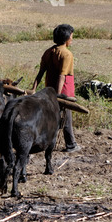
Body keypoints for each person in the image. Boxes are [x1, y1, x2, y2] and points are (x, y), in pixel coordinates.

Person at [30, 24, 81, 153]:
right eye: (71, 37)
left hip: (49, 90)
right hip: (63, 92)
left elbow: (41, 72)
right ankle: (71, 144)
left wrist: (33, 88)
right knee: (66, 117)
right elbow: (62, 76)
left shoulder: (48, 52)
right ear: (67, 38)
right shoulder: (67, 54)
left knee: (52, 116)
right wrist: (58, 96)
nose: (72, 39)